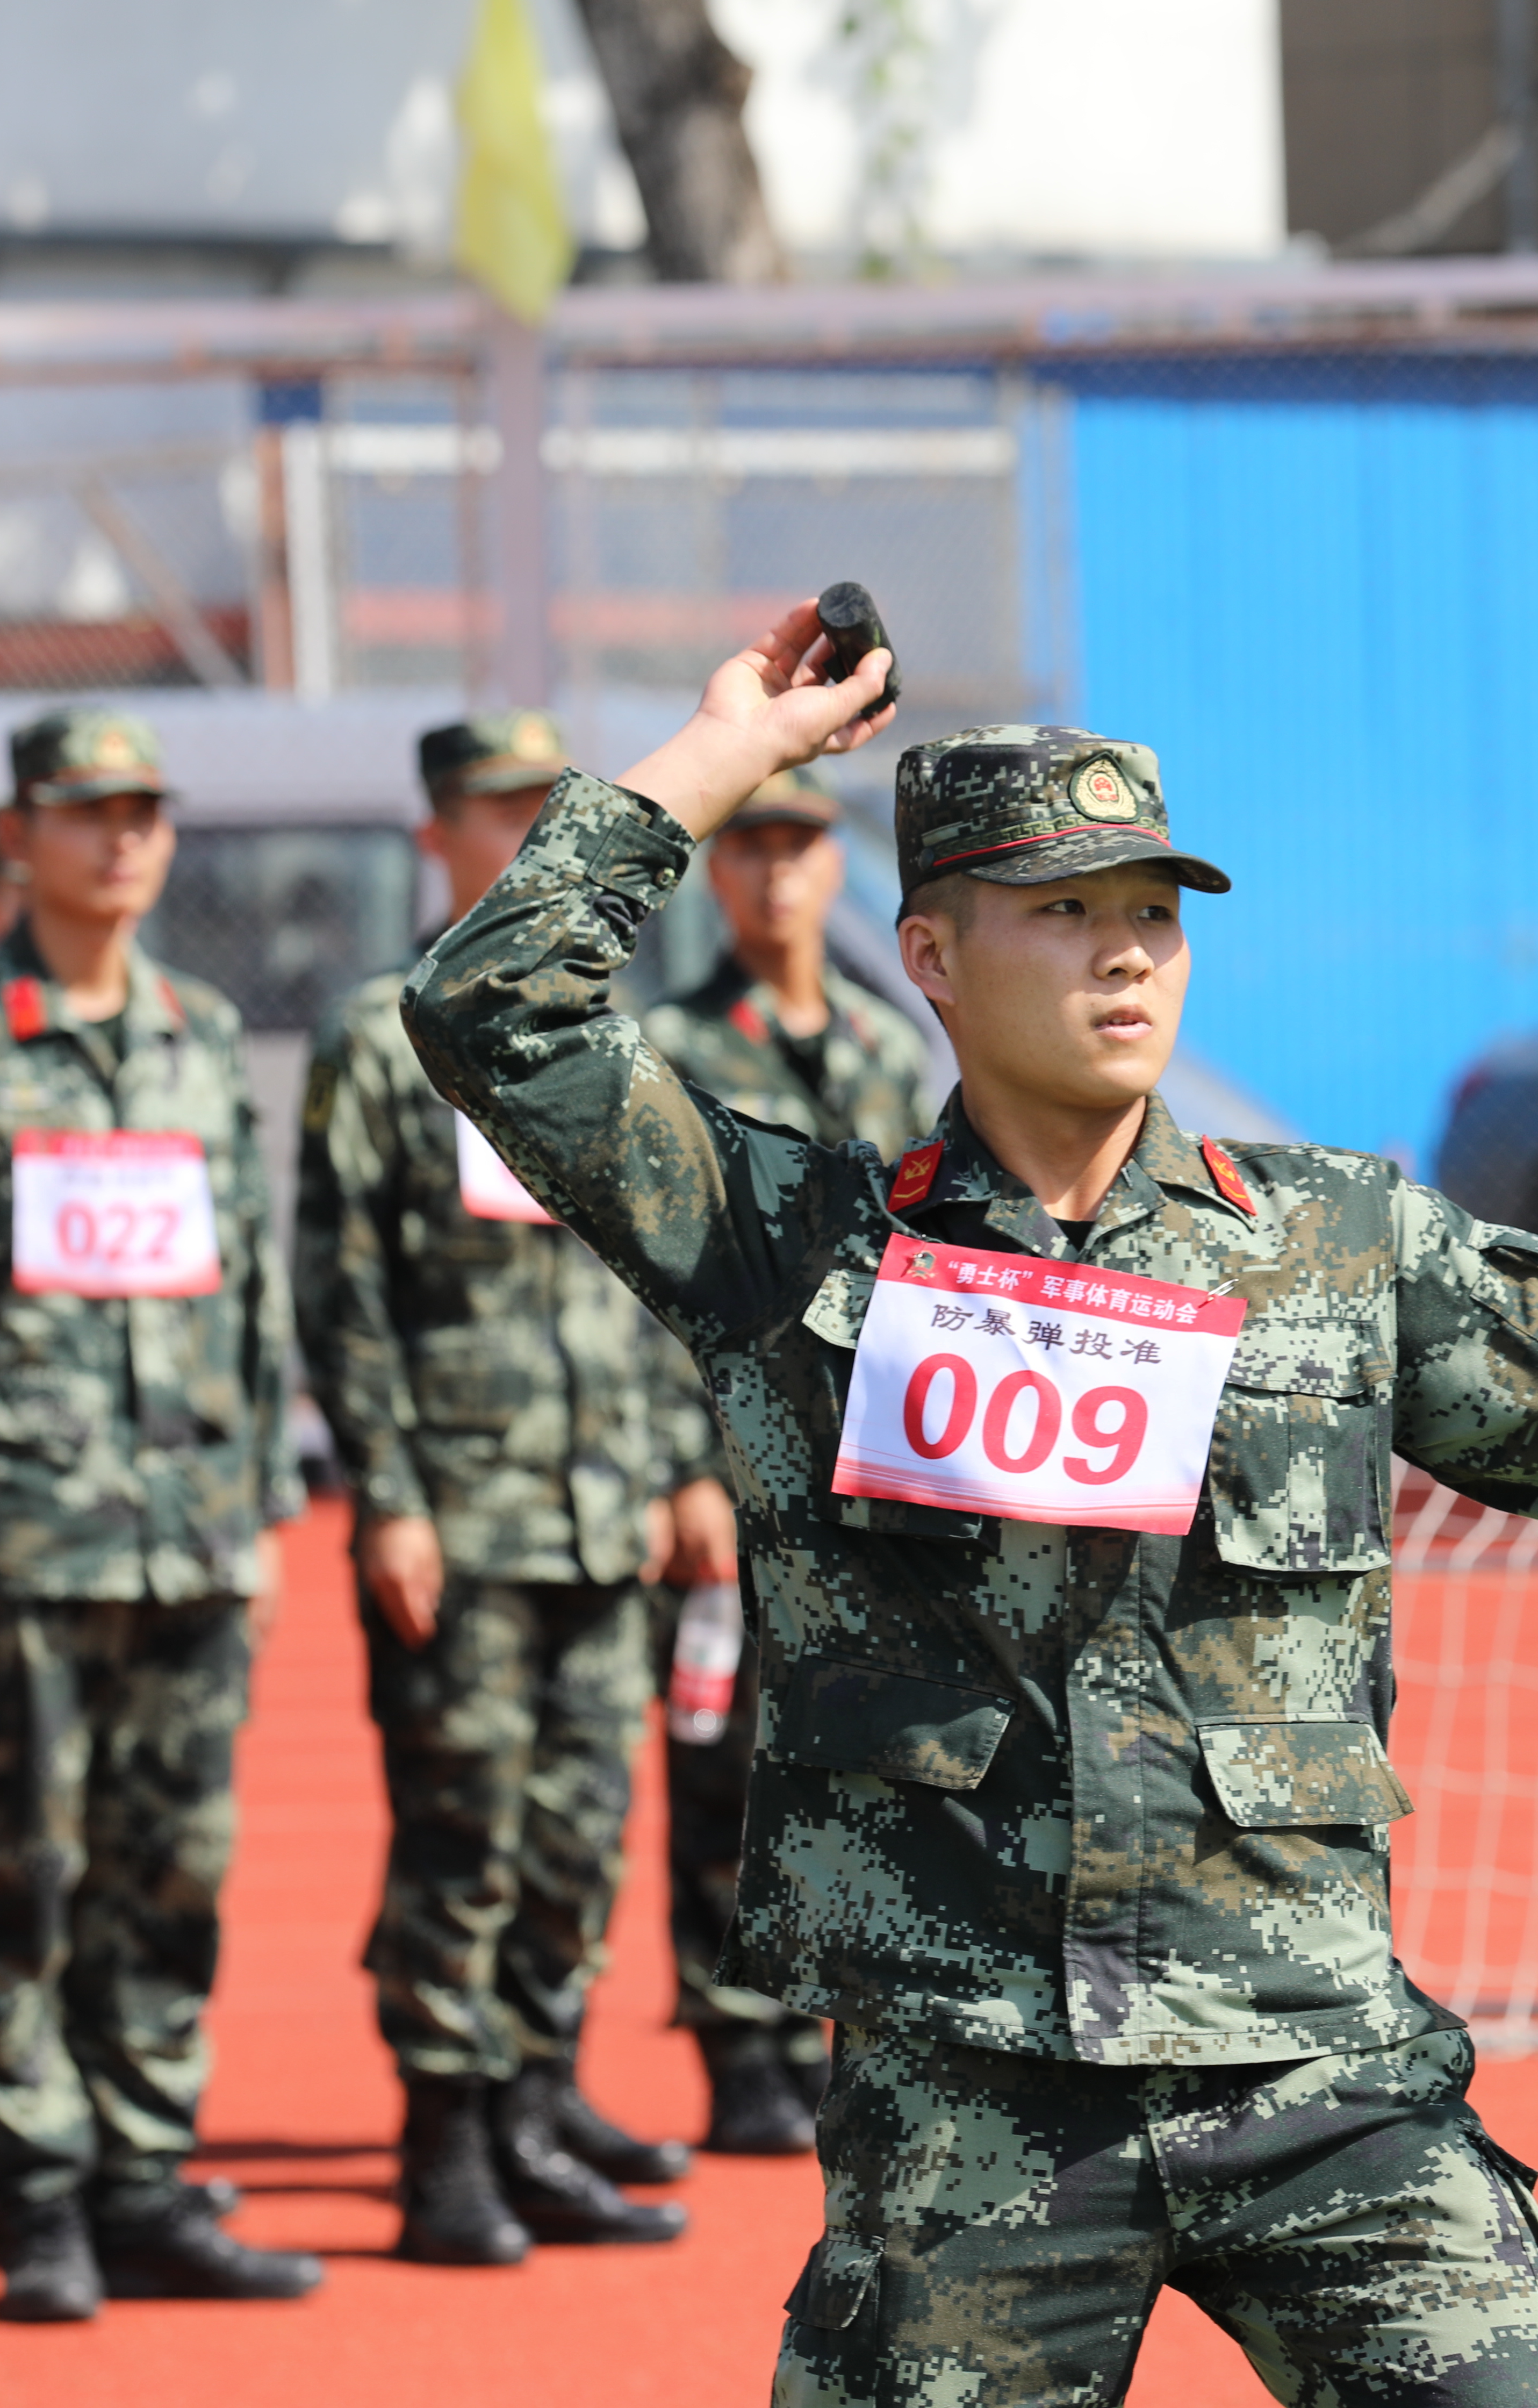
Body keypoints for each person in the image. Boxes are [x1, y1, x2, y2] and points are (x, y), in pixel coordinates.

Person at [405, 610, 1538, 2408]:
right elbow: (488, 1014)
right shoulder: (801, 1241)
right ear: (927, 951)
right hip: (979, 2098)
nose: (1126, 956)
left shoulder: (1328, 1243)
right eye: (1062, 911)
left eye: (1153, 914)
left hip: (1316, 2071)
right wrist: (718, 758)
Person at [0, 706, 317, 2323]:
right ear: (21, 834)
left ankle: (140, 2167)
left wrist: (262, 1498)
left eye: (144, 811)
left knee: (170, 1865)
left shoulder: (199, 1030)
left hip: (189, 1530)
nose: (123, 837)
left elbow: (245, 1288)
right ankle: (34, 2185)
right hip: (30, 1539)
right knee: (19, 1872)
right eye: (86, 811)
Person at [293, 708, 721, 2263]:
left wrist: (683, 1464)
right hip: (465, 1514)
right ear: (437, 837)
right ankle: (445, 2141)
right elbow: (340, 1286)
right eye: (496, 810)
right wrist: (388, 1494)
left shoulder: (599, 1038)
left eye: (547, 811)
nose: (525, 836)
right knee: (460, 1835)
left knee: (579, 1831)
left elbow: (656, 1260)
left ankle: (539, 2103)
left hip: (604, 1507)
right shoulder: (378, 1037)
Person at [638, 767, 932, 2154]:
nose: (774, 875)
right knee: (725, 1766)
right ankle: (735, 2039)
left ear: (833, 869)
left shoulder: (882, 1047)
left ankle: (837, 2021)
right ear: (718, 875)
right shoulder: (670, 1050)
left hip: (861, 1475)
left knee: (855, 1753)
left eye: (799, 849)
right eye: (747, 850)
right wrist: (682, 1468)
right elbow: (641, 1277)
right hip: (731, 1468)